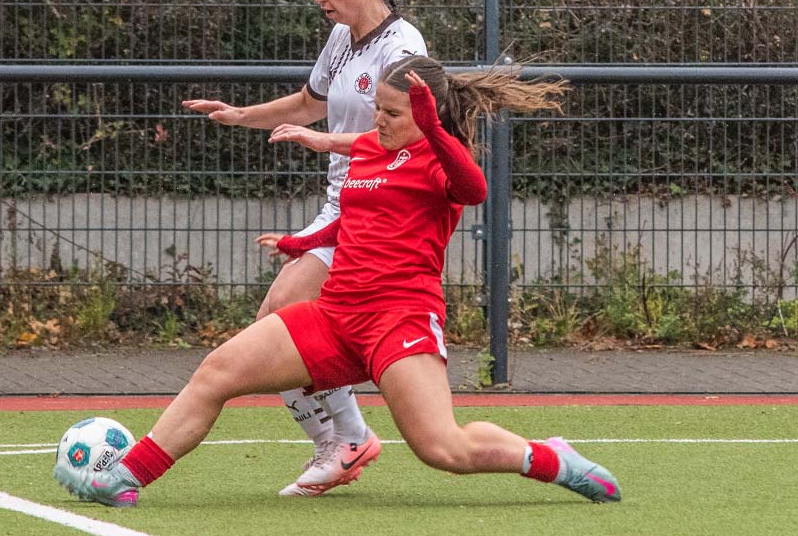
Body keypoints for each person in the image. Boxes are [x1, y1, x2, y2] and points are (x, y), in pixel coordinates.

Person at [68, 55, 623, 509]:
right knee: (217, 371)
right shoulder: (369, 149)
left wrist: (432, 130)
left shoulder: (439, 160)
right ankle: (124, 477)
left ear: (425, 114)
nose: (378, 119)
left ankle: (552, 458)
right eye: (377, 107)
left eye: (392, 112)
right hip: (336, 315)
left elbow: (474, 190)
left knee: (442, 449)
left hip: (399, 319)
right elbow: (355, 216)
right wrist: (300, 243)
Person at [181, 0, 427, 497]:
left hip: (377, 205)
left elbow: (404, 137)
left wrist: (325, 143)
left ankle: (349, 438)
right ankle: (341, 438)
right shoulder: (342, 38)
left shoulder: (402, 47)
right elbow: (308, 104)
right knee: (275, 323)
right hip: (340, 204)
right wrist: (240, 115)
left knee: (284, 317)